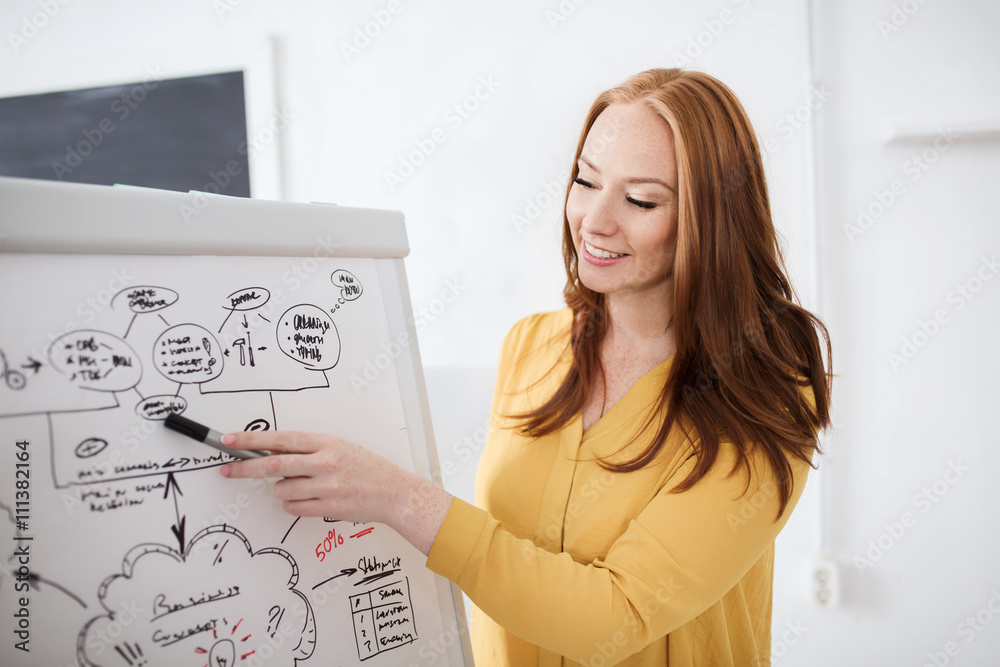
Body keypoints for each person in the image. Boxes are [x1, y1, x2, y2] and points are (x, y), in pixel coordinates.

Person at [219, 67, 833, 666]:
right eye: (586, 181)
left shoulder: (764, 392)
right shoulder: (531, 346)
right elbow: (513, 558)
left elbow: (612, 620)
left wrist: (401, 500)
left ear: (712, 220)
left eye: (641, 199)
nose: (594, 220)